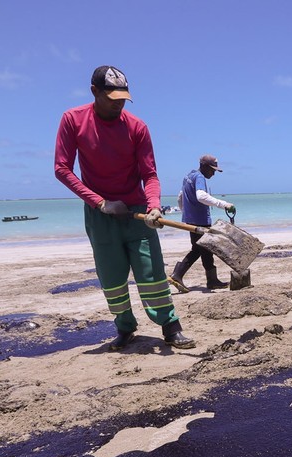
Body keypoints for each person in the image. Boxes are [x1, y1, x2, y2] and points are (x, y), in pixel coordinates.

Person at [54, 65, 195, 351]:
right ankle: (125, 328)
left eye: (123, 98)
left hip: (137, 212)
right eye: (112, 97)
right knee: (112, 274)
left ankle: (170, 326)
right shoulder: (73, 120)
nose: (118, 103)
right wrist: (101, 203)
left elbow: (150, 175)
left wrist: (154, 206)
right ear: (94, 92)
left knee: (151, 270)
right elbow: (62, 169)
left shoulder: (137, 127)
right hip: (100, 213)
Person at [169, 155, 236, 292]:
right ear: (204, 166)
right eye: (212, 170)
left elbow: (180, 196)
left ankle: (212, 281)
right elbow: (201, 196)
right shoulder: (199, 177)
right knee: (200, 249)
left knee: (203, 249)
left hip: (191, 219)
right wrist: (224, 204)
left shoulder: (189, 176)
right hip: (200, 221)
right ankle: (177, 274)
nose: (213, 173)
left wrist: (186, 213)